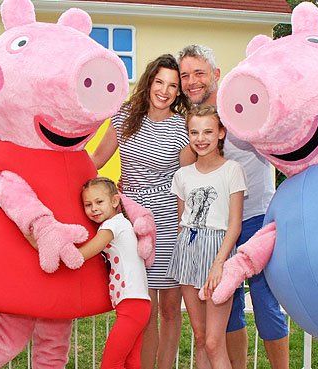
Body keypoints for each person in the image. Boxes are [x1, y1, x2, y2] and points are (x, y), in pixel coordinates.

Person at [178, 44, 290, 369]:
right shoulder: (195, 122)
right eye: (185, 75)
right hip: (216, 228)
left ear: (215, 74)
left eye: (199, 72)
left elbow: (283, 139)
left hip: (254, 217)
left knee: (266, 301)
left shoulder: (239, 107)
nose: (192, 81)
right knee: (227, 306)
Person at [91, 54, 193, 369]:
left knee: (170, 311)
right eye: (160, 81)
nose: (165, 90)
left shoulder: (182, 128)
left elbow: (186, 185)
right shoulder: (124, 117)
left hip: (169, 223)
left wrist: (183, 230)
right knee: (143, 309)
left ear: (179, 92)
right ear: (149, 81)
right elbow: (94, 161)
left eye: (173, 86)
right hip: (132, 224)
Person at [167, 105, 245, 369]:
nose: (201, 138)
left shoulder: (232, 170)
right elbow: (182, 221)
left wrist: (219, 263)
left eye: (208, 132)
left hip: (218, 252)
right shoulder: (182, 176)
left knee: (214, 341)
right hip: (188, 251)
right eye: (194, 132)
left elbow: (234, 225)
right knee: (200, 338)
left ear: (221, 133)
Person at [76, 177, 151, 369]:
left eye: (99, 202)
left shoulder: (113, 226)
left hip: (132, 304)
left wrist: (57, 251)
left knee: (111, 364)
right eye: (88, 204)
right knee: (131, 362)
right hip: (138, 305)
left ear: (115, 201)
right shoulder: (122, 223)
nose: (93, 208)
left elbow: (84, 254)